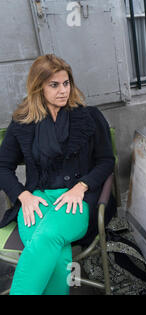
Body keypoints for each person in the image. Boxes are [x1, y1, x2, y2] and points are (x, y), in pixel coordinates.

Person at [0, 54, 115, 295]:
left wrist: (81, 186)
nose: (62, 90)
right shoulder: (23, 122)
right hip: (37, 200)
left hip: (75, 200)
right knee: (56, 255)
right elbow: (3, 166)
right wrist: (22, 195)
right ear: (38, 87)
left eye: (66, 83)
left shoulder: (89, 117)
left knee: (46, 238)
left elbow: (106, 161)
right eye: (54, 85)